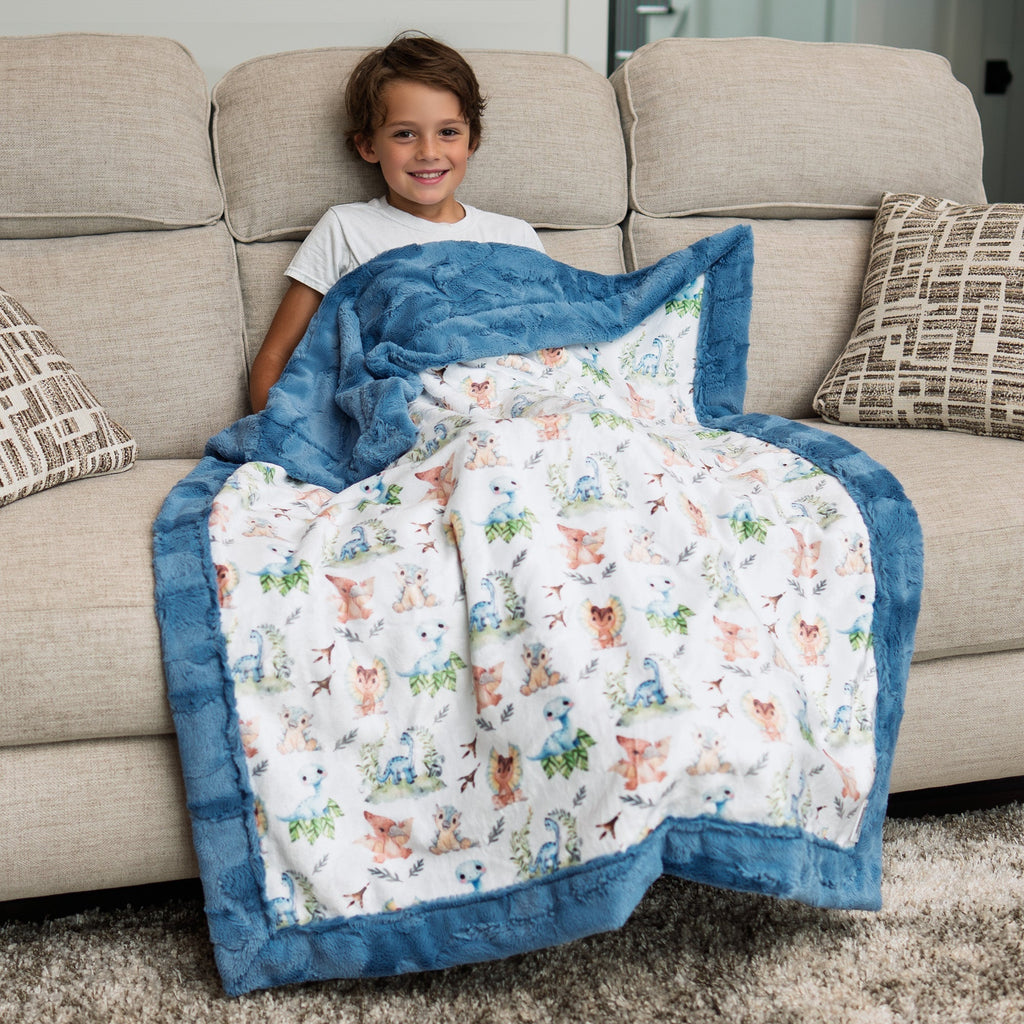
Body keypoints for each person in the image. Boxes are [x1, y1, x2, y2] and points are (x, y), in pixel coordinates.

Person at [249, 32, 546, 412]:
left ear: (472, 141)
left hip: (511, 405)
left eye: (448, 132)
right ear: (368, 146)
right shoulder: (347, 227)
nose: (428, 152)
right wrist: (273, 437)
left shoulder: (513, 235)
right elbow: (277, 355)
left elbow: (552, 337)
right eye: (404, 134)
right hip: (406, 413)